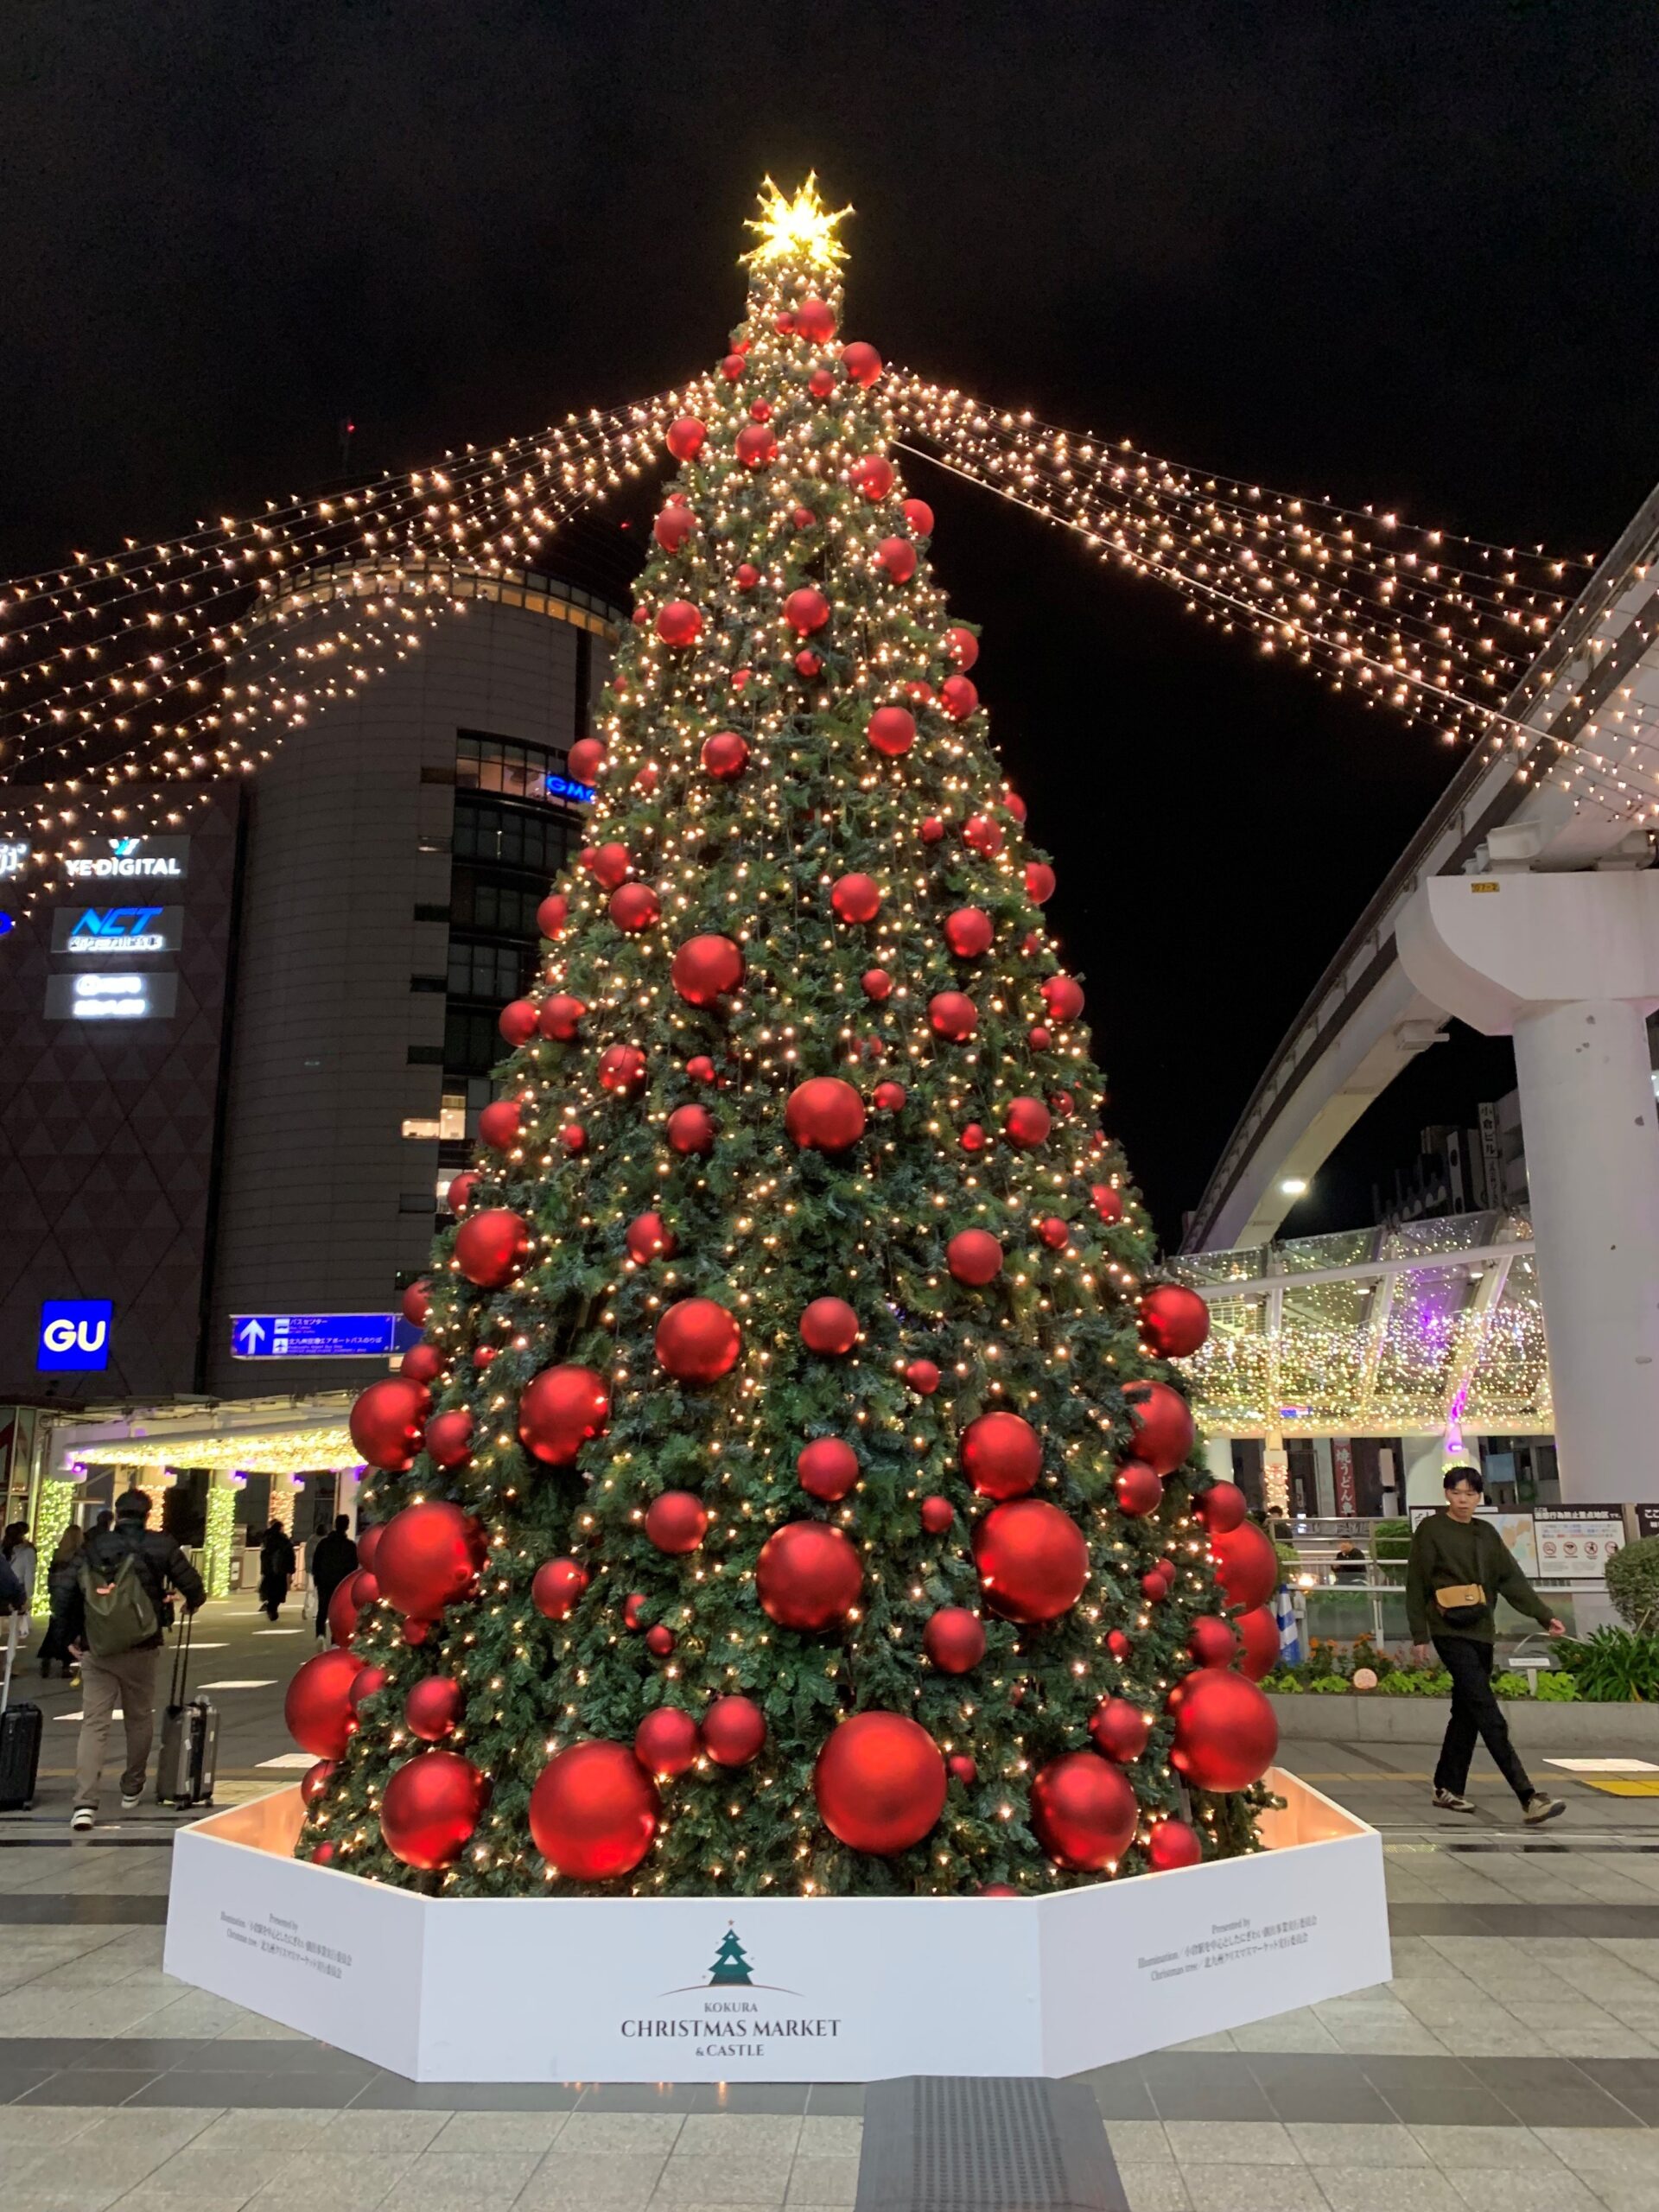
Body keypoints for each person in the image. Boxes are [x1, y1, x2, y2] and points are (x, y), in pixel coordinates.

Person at [1408, 1465, 1566, 1823]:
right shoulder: (1432, 1529)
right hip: (1448, 1630)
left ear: (1479, 1497)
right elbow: (1416, 1583)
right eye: (1456, 1493)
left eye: (1470, 1494)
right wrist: (1419, 1635)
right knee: (1487, 1712)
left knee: (1466, 1712)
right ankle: (1528, 1796)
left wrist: (1544, 1616)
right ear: (1446, 1493)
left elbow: (1511, 1580)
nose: (1463, 1500)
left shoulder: (1485, 1534)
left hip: (1481, 1631)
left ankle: (1446, 1788)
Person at [63, 1489, 204, 1830]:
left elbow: (65, 1588)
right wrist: (191, 1602)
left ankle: (85, 1804)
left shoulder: (94, 1544)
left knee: (94, 1724)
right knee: (139, 1718)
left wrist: (67, 1636)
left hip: (98, 1647)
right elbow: (193, 1585)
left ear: (117, 1513)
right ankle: (132, 1786)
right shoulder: (162, 1544)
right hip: (142, 1645)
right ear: (147, 1514)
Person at [38, 1523, 86, 1679]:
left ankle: (47, 1657)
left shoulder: (58, 1553)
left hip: (56, 1594)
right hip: (73, 1595)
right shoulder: (80, 1555)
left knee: (55, 1626)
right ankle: (66, 1664)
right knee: (70, 1629)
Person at [308, 1515, 357, 1640]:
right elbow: (353, 1567)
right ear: (347, 1526)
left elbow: (316, 1563)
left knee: (322, 1610)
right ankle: (335, 1637)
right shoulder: (350, 1546)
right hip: (341, 1584)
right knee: (338, 1612)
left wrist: (317, 1579)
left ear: (335, 1525)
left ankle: (320, 1635)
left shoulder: (323, 1543)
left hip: (324, 1582)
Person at [258, 1519, 296, 1621]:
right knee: (279, 1590)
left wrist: (264, 1569)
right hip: (280, 1570)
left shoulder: (266, 1539)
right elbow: (290, 1555)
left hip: (269, 1571)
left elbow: (263, 1556)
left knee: (270, 1589)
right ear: (280, 1529)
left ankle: (270, 1606)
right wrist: (291, 1569)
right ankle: (272, 1607)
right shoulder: (284, 1540)